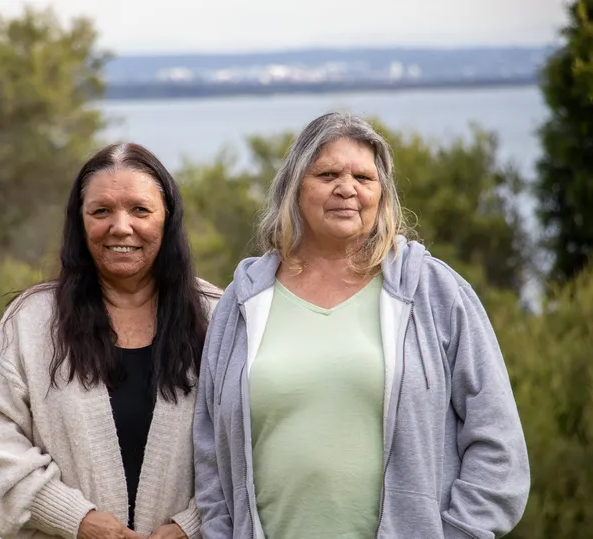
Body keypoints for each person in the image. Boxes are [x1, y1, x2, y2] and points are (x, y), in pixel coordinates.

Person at [193, 112, 530, 539]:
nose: (346, 188)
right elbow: (209, 455)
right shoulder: (242, 302)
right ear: (295, 188)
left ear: (382, 196)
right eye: (328, 173)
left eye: (364, 178)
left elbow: (498, 445)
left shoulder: (434, 292)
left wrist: (457, 532)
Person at [0, 142, 220, 539]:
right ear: (80, 223)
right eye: (101, 211)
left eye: (140, 209)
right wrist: (75, 519)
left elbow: (251, 444)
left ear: (167, 219)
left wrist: (190, 527)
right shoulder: (32, 321)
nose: (121, 226)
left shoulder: (218, 318)